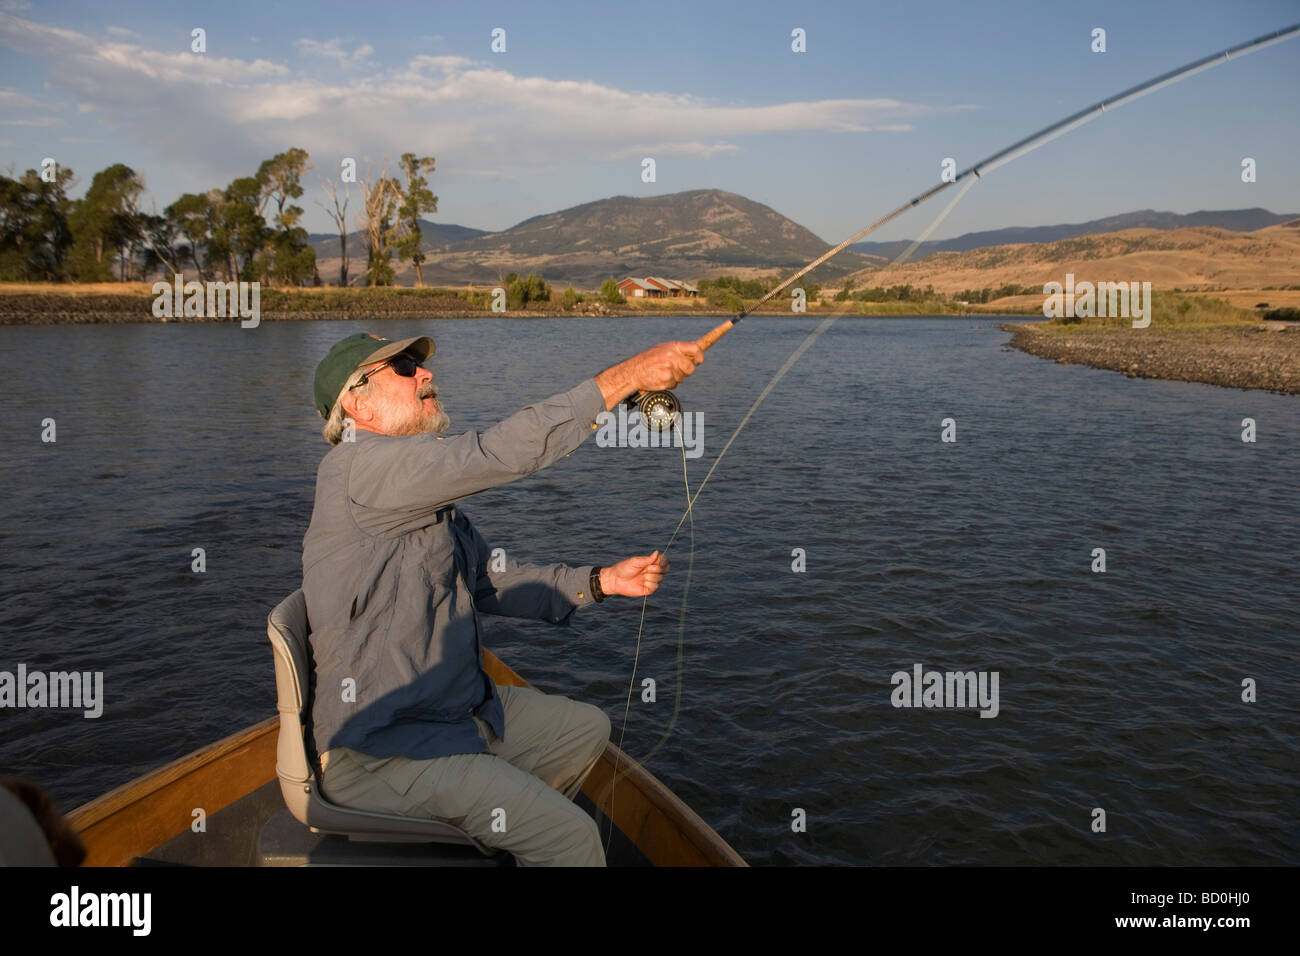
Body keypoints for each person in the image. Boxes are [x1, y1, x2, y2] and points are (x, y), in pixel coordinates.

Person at [302, 331, 703, 866]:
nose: (426, 375)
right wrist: (627, 378)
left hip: (445, 712)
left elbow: (490, 581)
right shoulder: (361, 465)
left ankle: (508, 837)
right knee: (573, 838)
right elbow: (493, 454)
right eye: (403, 367)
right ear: (356, 403)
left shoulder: (410, 484)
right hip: (382, 748)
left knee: (586, 730)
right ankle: (536, 836)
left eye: (419, 365)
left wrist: (602, 581)